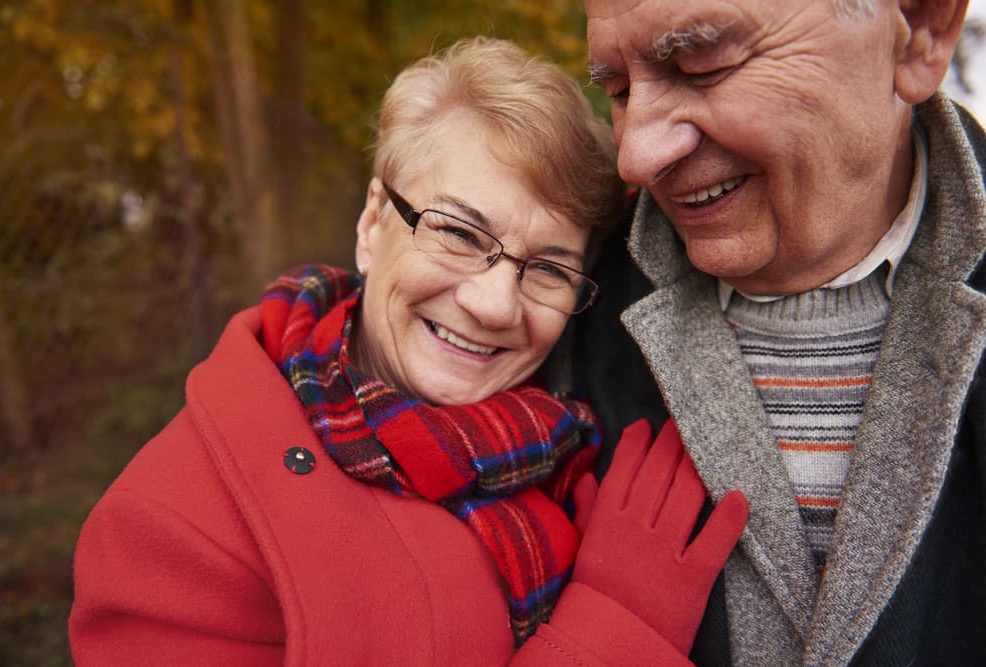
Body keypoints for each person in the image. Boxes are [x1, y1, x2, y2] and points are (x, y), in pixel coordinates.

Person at [70, 37, 748, 666]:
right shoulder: (171, 531)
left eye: (547, 268)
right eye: (456, 231)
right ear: (372, 223)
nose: (493, 303)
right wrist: (611, 628)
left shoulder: (566, 445)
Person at [557, 0, 986, 664]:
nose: (636, 157)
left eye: (702, 65)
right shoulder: (549, 305)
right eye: (615, 89)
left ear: (921, 31)